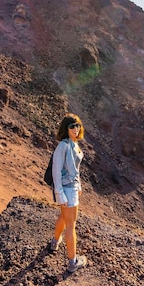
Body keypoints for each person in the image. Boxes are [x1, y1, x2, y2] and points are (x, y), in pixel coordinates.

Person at [49, 113, 87, 273]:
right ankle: (73, 262)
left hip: (72, 188)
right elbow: (55, 170)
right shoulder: (63, 146)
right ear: (66, 128)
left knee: (64, 218)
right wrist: (60, 193)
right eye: (72, 126)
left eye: (77, 125)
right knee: (71, 225)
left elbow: (74, 169)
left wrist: (78, 186)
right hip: (66, 189)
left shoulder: (74, 144)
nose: (76, 129)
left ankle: (54, 242)